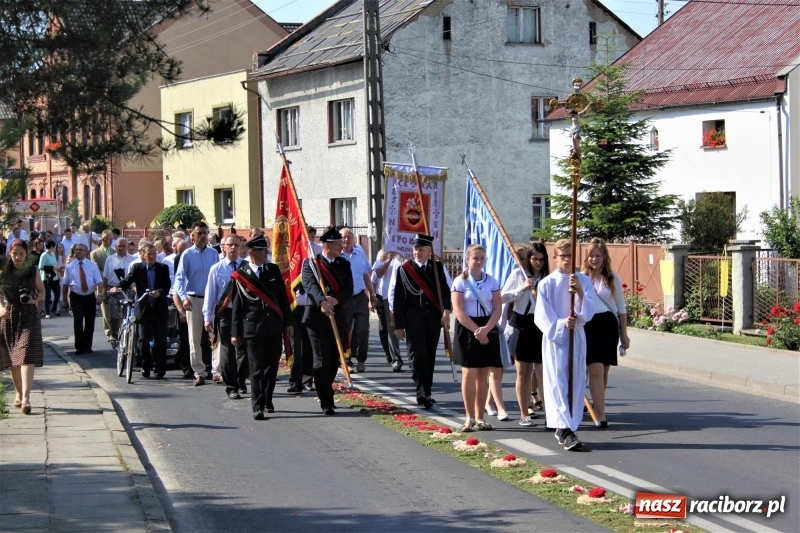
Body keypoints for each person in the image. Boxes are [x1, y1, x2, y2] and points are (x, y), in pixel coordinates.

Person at [534, 239, 594, 451]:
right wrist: (561, 323)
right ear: (555, 257)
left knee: (576, 381)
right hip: (556, 339)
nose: (568, 259)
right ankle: (564, 429)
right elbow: (541, 317)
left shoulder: (583, 281)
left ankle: (568, 426)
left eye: (571, 255)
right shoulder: (546, 284)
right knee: (558, 382)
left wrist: (579, 292)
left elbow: (589, 311)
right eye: (564, 255)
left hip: (576, 336)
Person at [231, 234, 293, 420]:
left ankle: (267, 399)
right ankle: (257, 406)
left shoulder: (272, 270)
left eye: (266, 249)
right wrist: (235, 332)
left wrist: (288, 322)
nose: (266, 253)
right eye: (263, 250)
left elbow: (283, 298)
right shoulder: (241, 274)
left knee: (271, 367)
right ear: (253, 252)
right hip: (252, 328)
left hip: (273, 326)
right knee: (256, 368)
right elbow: (237, 305)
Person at [393, 234, 451, 408]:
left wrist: (447, 310)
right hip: (414, 322)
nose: (417, 252)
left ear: (429, 251)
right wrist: (399, 325)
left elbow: (445, 291)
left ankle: (428, 391)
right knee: (417, 358)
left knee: (429, 357)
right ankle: (421, 392)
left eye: (421, 249)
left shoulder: (436, 267)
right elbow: (399, 299)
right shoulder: (405, 269)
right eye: (415, 249)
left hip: (432, 320)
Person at [301, 227, 353, 415]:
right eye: (338, 244)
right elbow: (310, 285)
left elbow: (349, 289)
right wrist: (322, 301)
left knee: (333, 361)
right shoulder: (311, 264)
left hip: (336, 316)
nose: (342, 246)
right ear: (326, 245)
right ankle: (326, 400)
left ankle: (327, 388)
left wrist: (336, 300)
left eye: (341, 243)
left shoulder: (344, 264)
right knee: (321, 360)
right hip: (316, 318)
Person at [451, 244, 503, 432]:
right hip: (467, 328)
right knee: (469, 374)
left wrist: (487, 329)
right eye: (475, 258)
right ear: (468, 259)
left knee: (483, 375)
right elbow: (458, 310)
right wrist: (477, 331)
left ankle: (480, 417)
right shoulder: (460, 281)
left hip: (487, 326)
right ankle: (469, 417)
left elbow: (497, 307)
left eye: (482, 258)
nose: (479, 261)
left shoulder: (492, 281)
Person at [581, 238, 629, 428]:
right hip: (588, 324)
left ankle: (597, 402)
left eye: (598, 256)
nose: (594, 259)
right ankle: (600, 413)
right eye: (591, 256)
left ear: (604, 257)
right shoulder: (582, 276)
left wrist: (624, 334)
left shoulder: (612, 277)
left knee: (604, 370)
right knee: (595, 369)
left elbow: (621, 307)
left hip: (608, 325)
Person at [501, 243, 548, 427]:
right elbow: (503, 297)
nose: (538, 262)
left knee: (543, 372)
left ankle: (549, 413)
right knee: (524, 372)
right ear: (529, 259)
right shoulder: (518, 274)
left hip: (541, 325)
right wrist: (521, 289)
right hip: (522, 323)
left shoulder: (547, 277)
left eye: (541, 259)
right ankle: (524, 413)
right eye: (534, 259)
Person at [112, 243, 171, 378]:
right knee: (143, 339)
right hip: (143, 308)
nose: (152, 257)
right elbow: (128, 280)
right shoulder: (138, 268)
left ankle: (160, 369)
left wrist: (160, 293)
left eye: (154, 254)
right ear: (143, 255)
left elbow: (167, 285)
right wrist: (117, 287)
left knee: (160, 341)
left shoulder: (163, 268)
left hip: (159, 309)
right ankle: (146, 367)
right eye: (149, 254)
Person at [0, 240, 45, 414]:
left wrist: (35, 300)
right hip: (10, 315)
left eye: (21, 254)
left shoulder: (33, 272)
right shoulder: (4, 272)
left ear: (26, 255)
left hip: (29, 316)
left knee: (26, 354)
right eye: (15, 253)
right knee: (13, 359)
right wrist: (2, 308)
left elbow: (42, 291)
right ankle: (18, 392)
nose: (17, 257)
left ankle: (26, 397)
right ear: (10, 254)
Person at [204, 235, 250, 399]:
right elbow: (210, 295)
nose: (233, 248)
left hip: (245, 313)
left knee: (245, 348)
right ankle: (231, 386)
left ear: (241, 248)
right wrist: (207, 317)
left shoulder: (247, 267)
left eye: (236, 245)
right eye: (230, 245)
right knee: (227, 350)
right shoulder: (216, 269)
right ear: (223, 247)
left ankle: (240, 379)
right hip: (225, 313)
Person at [174, 222, 219, 386]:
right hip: (193, 299)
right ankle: (199, 372)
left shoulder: (214, 254)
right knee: (194, 338)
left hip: (211, 298)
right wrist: (184, 297)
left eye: (204, 233)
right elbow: (178, 280)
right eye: (198, 233)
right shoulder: (187, 255)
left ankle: (216, 371)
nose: (202, 236)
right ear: (192, 236)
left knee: (215, 336)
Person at [339, 226, 377, 373]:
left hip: (360, 296)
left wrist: (372, 295)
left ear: (354, 239)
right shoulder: (337, 255)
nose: (346, 239)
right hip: (344, 298)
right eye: (343, 237)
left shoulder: (359, 253)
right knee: (346, 330)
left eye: (349, 236)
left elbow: (366, 275)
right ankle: (347, 360)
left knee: (362, 329)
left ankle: (361, 359)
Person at [61, 243, 105, 354]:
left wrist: (100, 295)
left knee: (90, 322)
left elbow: (99, 282)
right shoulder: (70, 267)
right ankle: (79, 346)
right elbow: (65, 285)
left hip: (90, 296)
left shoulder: (92, 265)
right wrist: (64, 299)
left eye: (81, 250)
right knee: (78, 321)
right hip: (76, 297)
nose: (78, 252)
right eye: (76, 250)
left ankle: (87, 345)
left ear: (86, 252)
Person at [373, 249, 404, 371]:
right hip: (388, 296)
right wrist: (389, 259)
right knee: (392, 328)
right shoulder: (383, 253)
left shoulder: (411, 253)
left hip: (407, 296)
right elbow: (378, 274)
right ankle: (396, 358)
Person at [102, 238, 135, 344]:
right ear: (115, 247)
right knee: (113, 315)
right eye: (118, 246)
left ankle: (126, 335)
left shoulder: (132, 259)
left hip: (128, 290)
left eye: (123, 246)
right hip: (113, 290)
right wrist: (104, 292)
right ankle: (114, 334)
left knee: (128, 314)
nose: (121, 248)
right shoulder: (110, 259)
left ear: (127, 247)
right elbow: (105, 277)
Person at [91, 230, 115, 342]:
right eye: (109, 238)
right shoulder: (95, 253)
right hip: (103, 284)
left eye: (112, 238)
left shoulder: (114, 251)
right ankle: (109, 331)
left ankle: (116, 330)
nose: (111, 241)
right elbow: (96, 270)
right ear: (103, 239)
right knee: (105, 310)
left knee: (115, 309)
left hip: (114, 284)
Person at [38, 241, 61, 319]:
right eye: (54, 247)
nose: (54, 248)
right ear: (51, 247)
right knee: (47, 295)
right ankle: (47, 313)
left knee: (57, 294)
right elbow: (40, 267)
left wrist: (56, 269)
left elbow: (55, 264)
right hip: (46, 278)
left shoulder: (53, 255)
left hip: (54, 277)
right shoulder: (44, 255)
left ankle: (54, 308)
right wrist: (51, 268)